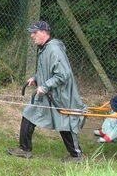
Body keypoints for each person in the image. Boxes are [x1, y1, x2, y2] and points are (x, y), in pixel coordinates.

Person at [7, 21, 86, 162]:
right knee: (29, 114)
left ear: (44, 32)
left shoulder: (54, 50)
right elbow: (46, 70)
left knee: (65, 122)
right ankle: (24, 149)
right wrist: (36, 78)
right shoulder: (44, 49)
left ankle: (77, 155)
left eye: (35, 32)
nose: (32, 35)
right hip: (47, 93)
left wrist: (45, 86)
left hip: (60, 95)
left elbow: (63, 74)